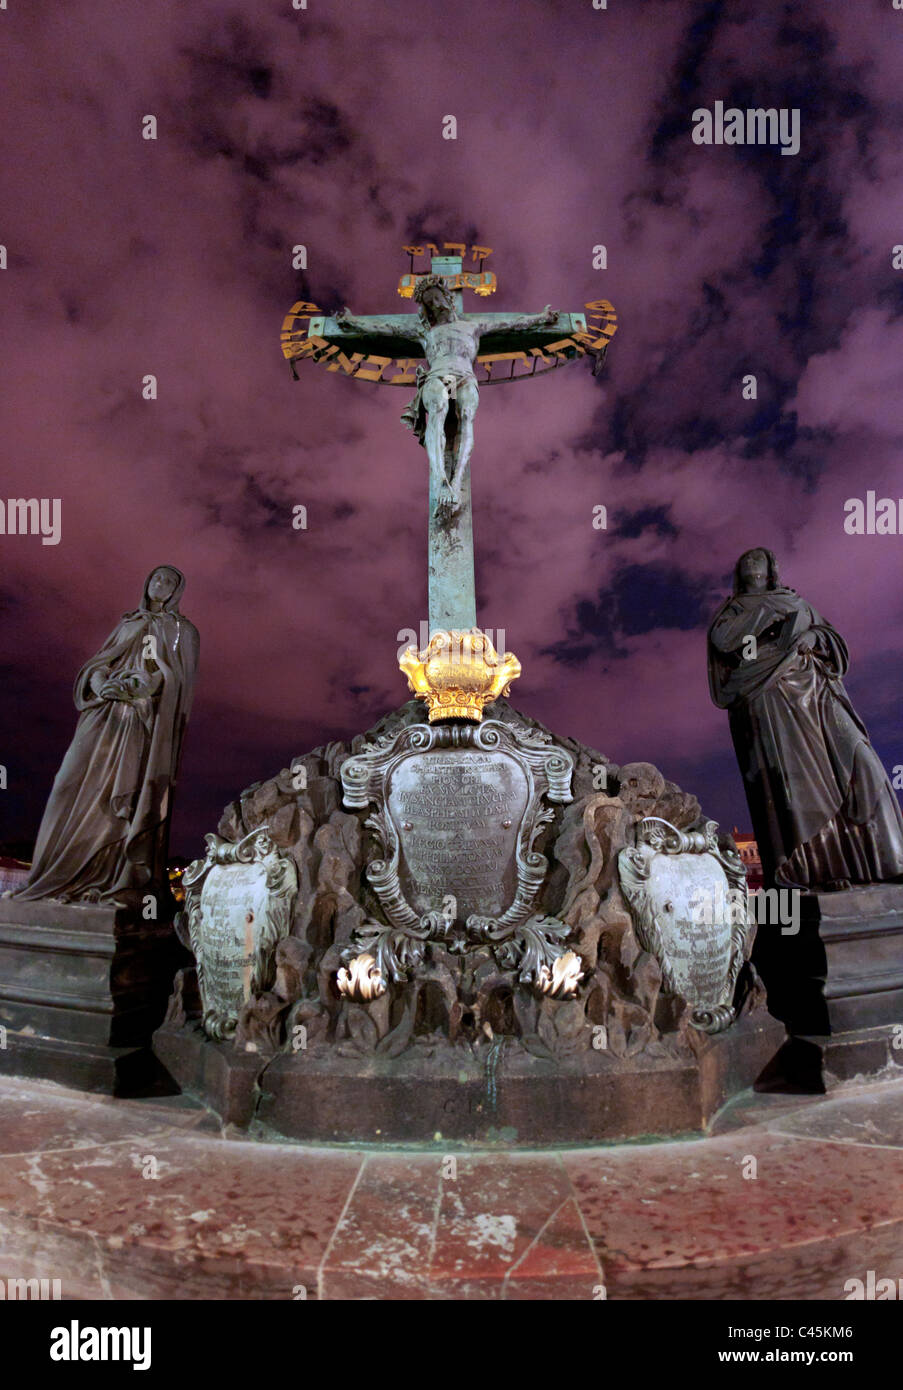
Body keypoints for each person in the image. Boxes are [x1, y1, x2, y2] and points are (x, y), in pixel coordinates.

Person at [707, 547, 903, 890]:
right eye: (747, 561)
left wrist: (813, 636)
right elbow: (725, 642)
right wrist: (767, 616)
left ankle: (888, 859)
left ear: (772, 569)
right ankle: (819, 870)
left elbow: (832, 638)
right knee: (798, 788)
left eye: (760, 559)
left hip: (818, 694)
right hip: (770, 700)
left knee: (863, 762)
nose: (753, 562)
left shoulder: (796, 602)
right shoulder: (733, 611)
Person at [15, 565, 199, 905]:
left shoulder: (181, 631)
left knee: (123, 795)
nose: (161, 584)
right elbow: (100, 662)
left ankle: (112, 875)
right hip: (103, 712)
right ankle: (48, 878)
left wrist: (146, 685)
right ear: (147, 583)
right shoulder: (127, 622)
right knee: (66, 784)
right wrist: (102, 684)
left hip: (140, 720)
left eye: (169, 581)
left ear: (177, 591)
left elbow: (180, 684)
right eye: (157, 578)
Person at [337, 277, 556, 520]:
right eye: (430, 302)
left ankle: (456, 480)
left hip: (463, 378)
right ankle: (441, 480)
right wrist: (353, 322)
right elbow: (386, 330)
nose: (436, 304)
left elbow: (512, 325)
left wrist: (541, 319)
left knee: (466, 417)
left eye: (437, 298)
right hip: (440, 376)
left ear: (447, 297)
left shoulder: (474, 326)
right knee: (439, 408)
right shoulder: (425, 331)